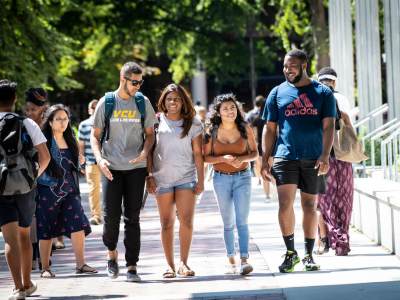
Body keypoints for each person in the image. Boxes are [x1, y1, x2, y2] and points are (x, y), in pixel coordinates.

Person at [261, 49, 336, 273]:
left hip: (313, 157)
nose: (287, 70)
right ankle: (290, 253)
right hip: (285, 155)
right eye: (285, 66)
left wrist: (325, 154)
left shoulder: (322, 93)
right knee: (284, 204)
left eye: (291, 66)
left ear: (304, 65)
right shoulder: (277, 93)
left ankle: (309, 254)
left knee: (309, 206)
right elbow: (270, 128)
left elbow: (329, 125)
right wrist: (265, 158)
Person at [91, 62, 157, 282]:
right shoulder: (107, 102)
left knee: (133, 218)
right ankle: (112, 256)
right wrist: (99, 160)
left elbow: (150, 135)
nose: (138, 86)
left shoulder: (142, 102)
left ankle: (131, 266)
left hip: (136, 168)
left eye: (140, 82)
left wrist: (145, 153)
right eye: (134, 82)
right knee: (111, 218)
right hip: (111, 167)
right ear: (123, 78)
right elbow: (95, 135)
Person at [146, 83, 204, 278]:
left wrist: (201, 180)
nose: (173, 102)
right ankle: (169, 265)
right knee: (166, 223)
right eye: (169, 99)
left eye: (177, 99)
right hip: (162, 179)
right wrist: (150, 176)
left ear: (183, 101)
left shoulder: (193, 123)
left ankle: (183, 263)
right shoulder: (155, 122)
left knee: (186, 221)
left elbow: (198, 154)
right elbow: (148, 151)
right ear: (164, 101)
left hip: (186, 178)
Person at [0, 80, 50, 300]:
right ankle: (28, 283)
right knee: (24, 235)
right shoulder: (27, 123)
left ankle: (18, 288)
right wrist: (32, 178)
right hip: (25, 185)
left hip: (1, 188)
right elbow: (45, 157)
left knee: (9, 240)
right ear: (15, 99)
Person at [36, 104, 97, 278]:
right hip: (48, 190)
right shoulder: (43, 142)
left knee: (77, 224)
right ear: (50, 122)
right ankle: (45, 268)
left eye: (65, 119)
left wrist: (82, 163)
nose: (63, 123)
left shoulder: (71, 140)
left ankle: (81, 264)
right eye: (58, 119)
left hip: (70, 190)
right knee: (45, 228)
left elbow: (78, 167)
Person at [204, 93, 258, 275]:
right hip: (220, 179)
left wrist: (240, 159)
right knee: (228, 222)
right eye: (225, 108)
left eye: (233, 107)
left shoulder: (245, 128)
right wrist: (222, 158)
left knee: (242, 220)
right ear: (218, 112)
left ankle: (244, 259)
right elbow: (205, 158)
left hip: (243, 177)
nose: (230, 111)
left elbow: (255, 154)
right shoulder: (211, 131)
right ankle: (230, 257)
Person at [315, 67, 354, 256]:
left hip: (321, 157)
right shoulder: (342, 99)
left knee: (323, 200)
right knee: (344, 199)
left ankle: (328, 239)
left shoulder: (313, 99)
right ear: (335, 82)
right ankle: (342, 237)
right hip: (343, 157)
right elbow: (347, 121)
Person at [24, 87, 49, 270]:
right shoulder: (23, 125)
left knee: (44, 218)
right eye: (28, 109)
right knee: (31, 218)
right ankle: (33, 257)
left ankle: (44, 257)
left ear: (43, 108)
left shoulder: (50, 125)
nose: (30, 113)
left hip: (46, 177)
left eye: (34, 109)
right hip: (30, 178)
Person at [78, 99, 102, 225]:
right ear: (89, 110)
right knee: (93, 189)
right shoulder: (83, 125)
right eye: (92, 107)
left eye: (96, 107)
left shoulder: (106, 122)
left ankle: (112, 213)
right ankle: (96, 215)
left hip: (107, 162)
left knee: (112, 189)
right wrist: (81, 163)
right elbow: (81, 145)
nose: (94, 109)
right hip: (91, 162)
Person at [246, 95, 272, 201]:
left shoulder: (256, 119)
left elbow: (255, 136)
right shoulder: (273, 118)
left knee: (264, 170)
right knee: (274, 170)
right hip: (274, 147)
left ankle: (267, 194)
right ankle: (279, 192)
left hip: (262, 148)